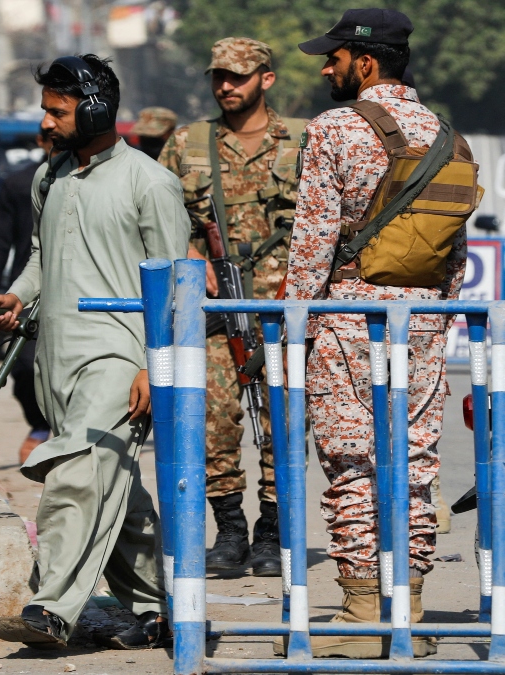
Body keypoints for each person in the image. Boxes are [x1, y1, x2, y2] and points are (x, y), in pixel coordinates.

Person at [0, 54, 189, 650]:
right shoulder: (50, 178)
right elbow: (42, 258)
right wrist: (14, 297)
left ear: (96, 109)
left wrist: (156, 365)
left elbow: (175, 285)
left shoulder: (149, 182)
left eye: (57, 111)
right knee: (114, 488)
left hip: (118, 361)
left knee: (75, 475)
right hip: (58, 362)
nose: (45, 123)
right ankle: (156, 608)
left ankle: (49, 607)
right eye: (44, 111)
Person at [287, 8, 466, 657]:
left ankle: (363, 613)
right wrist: (436, 316)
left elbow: (312, 241)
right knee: (416, 464)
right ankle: (409, 614)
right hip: (424, 320)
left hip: (347, 319)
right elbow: (455, 254)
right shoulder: (447, 134)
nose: (327, 66)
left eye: (333, 56)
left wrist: (292, 326)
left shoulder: (334, 128)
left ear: (365, 62)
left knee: (352, 461)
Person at [158, 37, 307, 578]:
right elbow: (161, 217)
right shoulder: (187, 143)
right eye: (218, 77)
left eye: (237, 77)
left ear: (266, 78)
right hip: (217, 309)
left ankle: (272, 531)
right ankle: (229, 530)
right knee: (214, 422)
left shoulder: (303, 140)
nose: (226, 86)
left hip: (284, 310)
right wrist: (193, 258)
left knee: (284, 424)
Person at [0, 133, 53, 464]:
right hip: (30, 293)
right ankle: (40, 426)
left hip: (84, 296)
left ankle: (65, 436)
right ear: (41, 140)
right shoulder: (21, 183)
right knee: (23, 368)